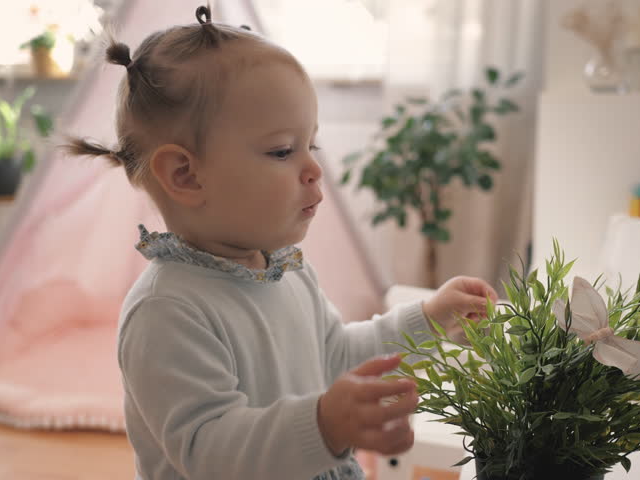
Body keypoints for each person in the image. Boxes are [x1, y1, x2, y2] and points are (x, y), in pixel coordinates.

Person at [66, 5, 497, 479]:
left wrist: (428, 320)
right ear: (186, 175)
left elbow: (335, 358)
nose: (313, 169)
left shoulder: (287, 271)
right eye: (281, 151)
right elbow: (209, 450)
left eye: (312, 145)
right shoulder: (167, 309)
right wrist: (325, 425)